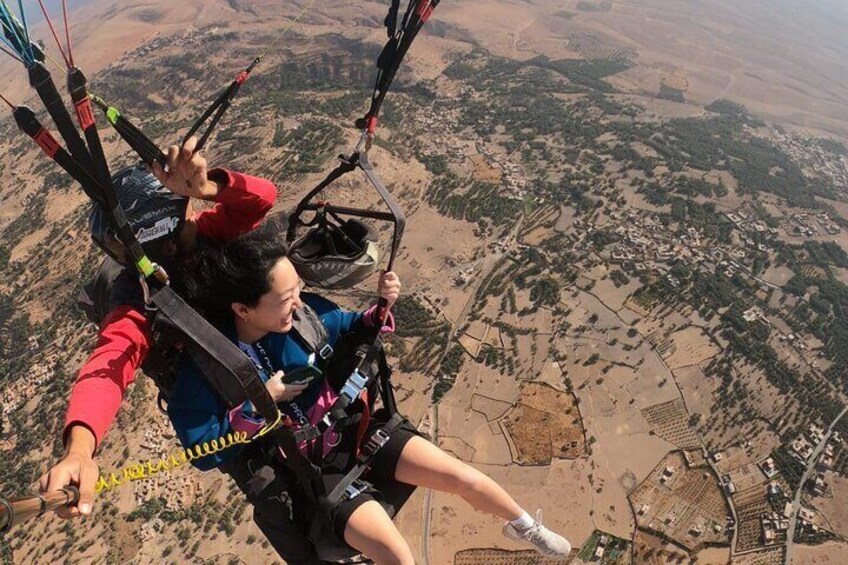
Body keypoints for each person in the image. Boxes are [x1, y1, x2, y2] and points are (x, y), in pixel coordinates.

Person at [168, 226, 572, 565]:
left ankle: (523, 525)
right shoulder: (206, 370)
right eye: (286, 297)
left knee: (462, 476)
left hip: (354, 431)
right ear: (243, 309)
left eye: (298, 288)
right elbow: (203, 450)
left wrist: (381, 308)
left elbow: (349, 326)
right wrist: (261, 405)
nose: (299, 299)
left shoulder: (304, 318)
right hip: (312, 476)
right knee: (397, 555)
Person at [38, 137, 278, 519]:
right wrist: (79, 449)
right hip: (225, 408)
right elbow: (109, 365)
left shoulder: (200, 239)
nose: (190, 223)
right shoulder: (136, 296)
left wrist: (208, 189)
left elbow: (261, 199)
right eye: (182, 221)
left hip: (257, 372)